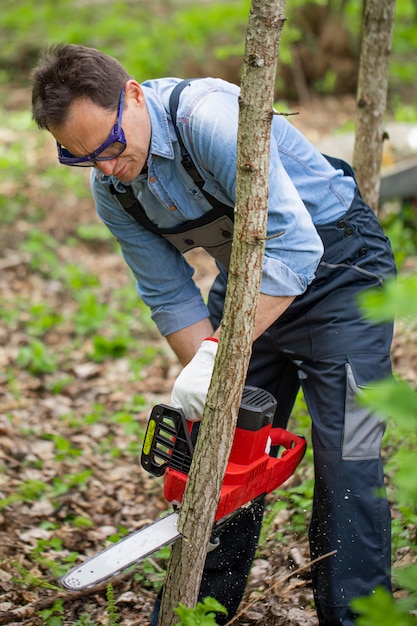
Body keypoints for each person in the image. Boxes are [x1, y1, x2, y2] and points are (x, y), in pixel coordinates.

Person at [31, 43, 396, 626]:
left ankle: (355, 617)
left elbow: (298, 245)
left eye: (108, 147)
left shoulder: (209, 121)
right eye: (79, 157)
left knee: (347, 457)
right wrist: (206, 377)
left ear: (130, 95)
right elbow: (169, 294)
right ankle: (197, 612)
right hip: (251, 283)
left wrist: (218, 352)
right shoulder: (114, 188)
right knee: (219, 449)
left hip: (340, 271)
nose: (102, 167)